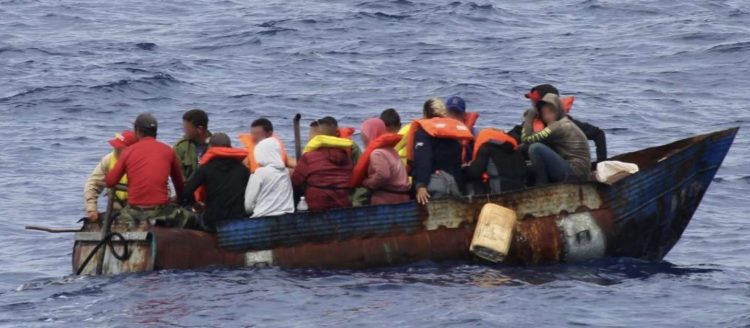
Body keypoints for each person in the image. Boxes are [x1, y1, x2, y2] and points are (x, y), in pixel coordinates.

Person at [106, 113, 193, 228]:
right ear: (155, 132)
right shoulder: (168, 151)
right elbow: (180, 186)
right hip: (160, 211)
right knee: (190, 218)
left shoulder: (128, 152)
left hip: (134, 211)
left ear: (137, 131)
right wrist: (179, 200)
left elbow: (110, 182)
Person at [509, 84, 607, 164]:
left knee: (534, 147)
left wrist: (601, 163)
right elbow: (514, 136)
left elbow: (598, 134)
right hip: (541, 168)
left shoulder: (567, 125)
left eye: (536, 102)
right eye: (533, 102)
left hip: (564, 169)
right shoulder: (531, 123)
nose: (533, 105)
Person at [408, 98, 474, 204]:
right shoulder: (452, 132)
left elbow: (423, 160)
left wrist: (421, 185)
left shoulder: (423, 133)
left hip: (434, 184)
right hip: (454, 184)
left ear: (425, 114)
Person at [182, 133, 249, 231]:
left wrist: (195, 204)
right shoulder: (243, 169)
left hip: (213, 222)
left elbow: (186, 192)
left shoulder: (206, 169)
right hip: (237, 219)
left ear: (210, 148)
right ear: (230, 148)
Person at [521, 93, 591, 185]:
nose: (547, 117)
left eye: (551, 112)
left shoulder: (560, 126)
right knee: (527, 164)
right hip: (572, 169)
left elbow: (527, 138)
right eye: (544, 113)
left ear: (558, 111)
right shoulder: (563, 123)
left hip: (575, 173)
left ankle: (541, 186)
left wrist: (529, 117)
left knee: (535, 148)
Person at [292, 118, 354, 211]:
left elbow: (296, 181)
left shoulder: (308, 157)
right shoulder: (346, 156)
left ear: (315, 138)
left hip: (316, 207)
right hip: (343, 205)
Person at [350, 118, 411, 205]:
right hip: (403, 197)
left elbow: (382, 175)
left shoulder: (377, 153)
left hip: (386, 199)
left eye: (364, 135)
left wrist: (367, 182)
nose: (363, 138)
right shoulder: (390, 150)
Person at [83, 130, 137, 221]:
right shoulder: (109, 159)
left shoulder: (143, 163)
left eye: (120, 147)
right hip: (115, 209)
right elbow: (93, 183)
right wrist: (91, 209)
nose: (116, 149)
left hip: (140, 210)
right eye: (116, 147)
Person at [244, 137, 295, 218]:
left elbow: (248, 206)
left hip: (261, 219)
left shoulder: (259, 173)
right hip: (287, 217)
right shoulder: (286, 172)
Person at [463, 129, 525, 194]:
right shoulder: (515, 149)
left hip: (499, 190)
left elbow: (474, 173)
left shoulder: (486, 148)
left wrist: (466, 168)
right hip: (520, 187)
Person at [174, 109, 211, 181]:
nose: (184, 131)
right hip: (190, 190)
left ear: (199, 129)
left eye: (187, 128)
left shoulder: (217, 144)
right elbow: (179, 179)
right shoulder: (180, 147)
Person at [445, 96, 479, 162]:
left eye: (457, 113)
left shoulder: (474, 133)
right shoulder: (438, 132)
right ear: (445, 114)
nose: (453, 116)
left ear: (464, 115)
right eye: (450, 112)